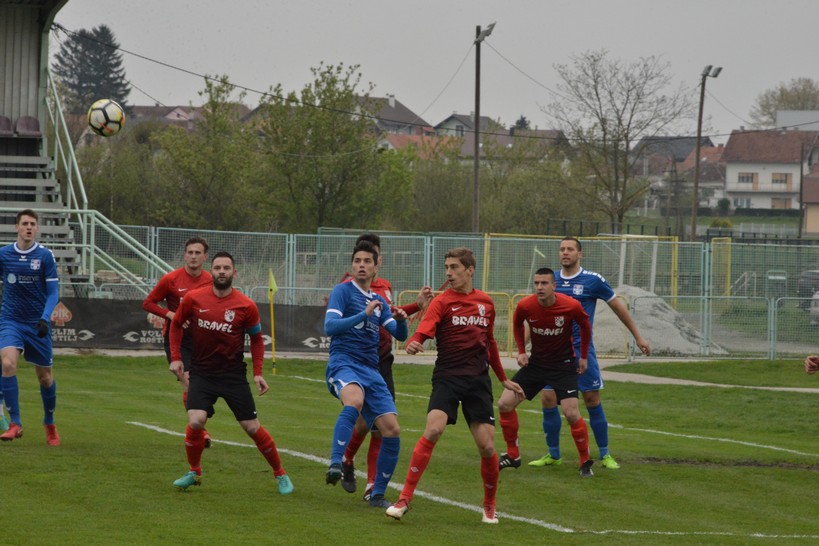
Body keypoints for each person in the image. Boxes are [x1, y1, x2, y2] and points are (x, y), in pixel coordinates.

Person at [385, 247, 524, 524]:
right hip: (448, 377)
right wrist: (415, 341)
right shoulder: (442, 302)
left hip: (478, 382)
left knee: (487, 448)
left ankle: (489, 505)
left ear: (469, 270)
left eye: (454, 267)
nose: (448, 273)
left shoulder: (485, 302)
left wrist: (502, 378)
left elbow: (490, 343)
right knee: (433, 430)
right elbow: (425, 328)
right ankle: (404, 499)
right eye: (446, 267)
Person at [169, 252, 293, 495]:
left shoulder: (246, 305)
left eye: (226, 268)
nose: (222, 271)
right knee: (196, 420)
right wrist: (175, 357)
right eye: (217, 267)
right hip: (202, 373)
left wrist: (258, 373)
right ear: (211, 271)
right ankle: (194, 472)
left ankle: (280, 474)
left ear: (234, 272)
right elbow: (176, 325)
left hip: (232, 375)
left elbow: (256, 340)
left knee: (251, 427)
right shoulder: (194, 298)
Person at [530, 237, 651, 470]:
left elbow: (618, 307)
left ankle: (605, 454)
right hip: (552, 353)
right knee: (547, 398)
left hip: (581, 351)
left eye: (570, 249)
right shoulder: (550, 281)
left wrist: (638, 337)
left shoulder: (593, 280)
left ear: (580, 254)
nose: (565, 253)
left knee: (591, 399)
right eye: (562, 249)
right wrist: (523, 347)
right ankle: (553, 454)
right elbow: (535, 312)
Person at [339, 233, 432, 501]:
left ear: (379, 260)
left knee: (381, 426)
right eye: (363, 258)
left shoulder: (385, 285)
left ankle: (371, 485)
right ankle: (347, 459)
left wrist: (417, 305)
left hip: (383, 361)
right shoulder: (347, 287)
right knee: (363, 423)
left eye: (373, 257)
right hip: (359, 363)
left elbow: (389, 313)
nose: (368, 263)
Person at [324, 240, 409, 509]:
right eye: (357, 261)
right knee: (355, 400)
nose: (361, 265)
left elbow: (399, 335)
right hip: (344, 362)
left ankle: (377, 495)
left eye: (367, 261)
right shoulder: (342, 291)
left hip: (371, 370)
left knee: (392, 429)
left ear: (375, 267)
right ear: (352, 265)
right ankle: (336, 463)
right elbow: (330, 326)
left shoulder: (380, 300)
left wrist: (402, 320)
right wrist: (363, 314)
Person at [497, 267, 594, 478]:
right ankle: (513, 455)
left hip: (563, 366)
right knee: (504, 404)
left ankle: (585, 461)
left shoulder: (570, 305)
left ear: (554, 286)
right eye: (536, 283)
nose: (539, 287)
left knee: (571, 413)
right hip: (536, 365)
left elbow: (585, 326)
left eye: (544, 283)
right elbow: (516, 324)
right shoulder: (526, 305)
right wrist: (521, 351)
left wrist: (584, 356)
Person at [143, 237, 214, 447]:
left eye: (197, 253)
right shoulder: (171, 279)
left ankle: (197, 426)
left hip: (203, 338)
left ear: (205, 257)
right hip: (177, 338)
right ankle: (200, 431)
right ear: (184, 255)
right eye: (190, 252)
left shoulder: (210, 280)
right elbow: (148, 303)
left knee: (204, 385)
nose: (193, 256)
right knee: (189, 381)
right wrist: (171, 315)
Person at [0, 209, 61, 445]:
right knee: (8, 364)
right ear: (16, 227)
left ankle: (49, 422)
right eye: (24, 223)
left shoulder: (45, 256)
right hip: (11, 320)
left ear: (37, 228)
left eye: (32, 224)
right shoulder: (4, 254)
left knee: (45, 378)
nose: (28, 227)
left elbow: (53, 292)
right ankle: (15, 423)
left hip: (37, 323)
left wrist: (45, 318)